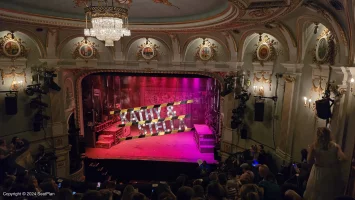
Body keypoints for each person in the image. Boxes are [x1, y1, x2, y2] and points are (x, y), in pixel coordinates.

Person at [303, 127, 347, 200]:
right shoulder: (335, 146)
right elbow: (343, 158)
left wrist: (311, 153)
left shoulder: (314, 146)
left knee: (314, 193)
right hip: (329, 172)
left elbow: (309, 161)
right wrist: (334, 162)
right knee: (327, 194)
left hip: (318, 171)